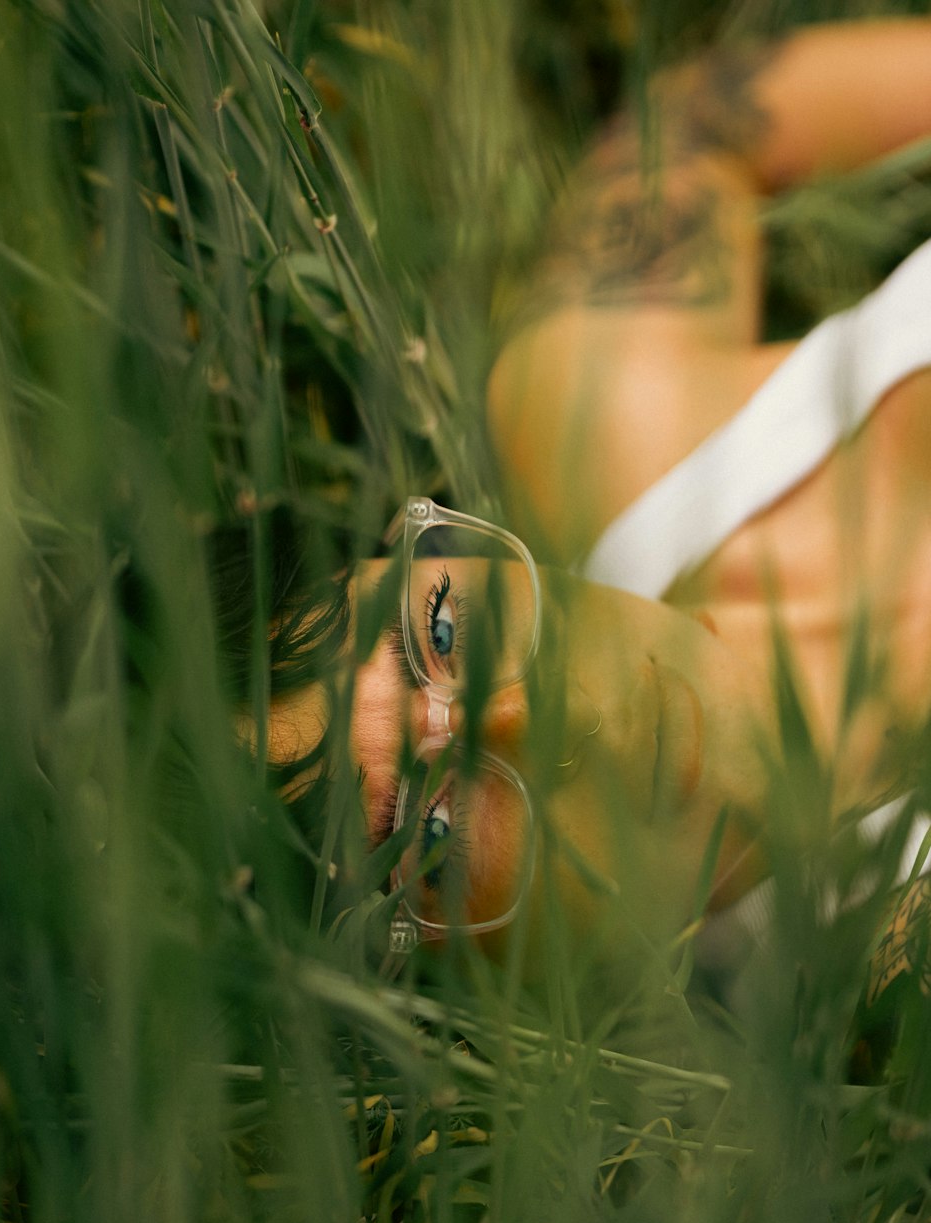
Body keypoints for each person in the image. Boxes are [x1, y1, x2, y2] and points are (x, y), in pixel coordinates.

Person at [267, 17, 931, 968]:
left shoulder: (597, 422)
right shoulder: (879, 980)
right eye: (436, 832)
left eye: (443, 631)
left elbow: (699, 121)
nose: (542, 711)